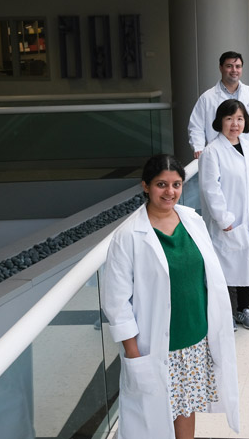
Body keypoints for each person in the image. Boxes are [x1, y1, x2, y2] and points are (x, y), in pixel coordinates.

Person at [101, 154, 239, 439]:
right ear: (146, 187)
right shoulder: (128, 236)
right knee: (153, 419)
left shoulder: (191, 220)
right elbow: (116, 304)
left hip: (195, 339)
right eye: (161, 184)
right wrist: (134, 354)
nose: (170, 191)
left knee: (186, 408)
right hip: (156, 345)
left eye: (176, 184)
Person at [188, 50, 249, 280]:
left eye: (237, 66)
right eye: (229, 66)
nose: (233, 70)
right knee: (228, 215)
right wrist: (198, 146)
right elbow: (195, 125)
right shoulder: (208, 98)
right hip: (223, 162)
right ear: (221, 68)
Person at [199, 99, 249, 330]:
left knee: (247, 266)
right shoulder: (212, 152)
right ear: (220, 121)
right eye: (229, 118)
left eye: (239, 118)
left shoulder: (248, 146)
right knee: (225, 270)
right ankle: (224, 314)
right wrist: (224, 219)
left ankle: (244, 309)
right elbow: (210, 189)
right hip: (228, 222)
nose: (234, 124)